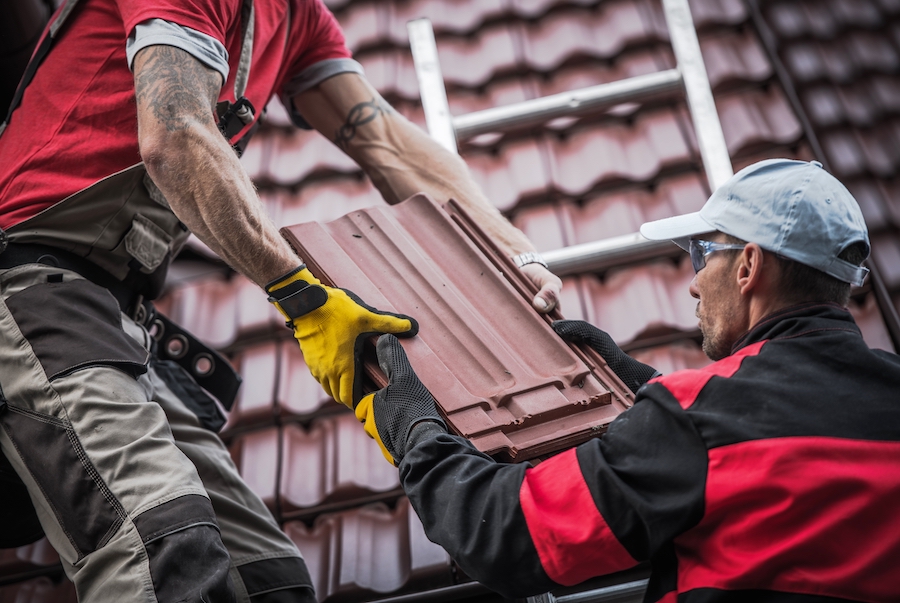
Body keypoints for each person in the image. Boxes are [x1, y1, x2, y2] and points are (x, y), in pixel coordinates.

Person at [0, 0, 562, 601]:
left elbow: (387, 143)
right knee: (164, 550)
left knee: (269, 580)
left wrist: (514, 257)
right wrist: (306, 298)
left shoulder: (300, 19)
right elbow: (176, 136)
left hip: (113, 319)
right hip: (31, 292)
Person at [356, 159, 900, 602]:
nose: (693, 284)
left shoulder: (696, 422)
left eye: (702, 253)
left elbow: (502, 533)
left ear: (747, 267)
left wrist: (417, 430)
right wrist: (650, 397)